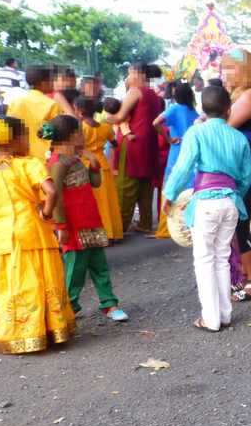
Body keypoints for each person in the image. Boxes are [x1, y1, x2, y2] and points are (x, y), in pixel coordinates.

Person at [0, 117, 76, 353]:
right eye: (25, 137)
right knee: (41, 279)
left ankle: (16, 336)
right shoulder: (29, 164)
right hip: (33, 230)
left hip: (1, 235)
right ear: (15, 140)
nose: (28, 142)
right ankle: (51, 330)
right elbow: (51, 191)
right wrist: (45, 212)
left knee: (9, 284)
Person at [163, 85, 251, 331]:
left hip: (206, 202)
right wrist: (234, 196)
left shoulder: (196, 133)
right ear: (228, 109)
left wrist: (169, 195)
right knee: (222, 257)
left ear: (202, 108)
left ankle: (210, 319)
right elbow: (244, 177)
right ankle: (224, 314)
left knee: (204, 260)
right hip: (231, 201)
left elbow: (183, 168)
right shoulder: (239, 137)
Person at [40, 115, 129, 322]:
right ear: (71, 136)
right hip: (73, 224)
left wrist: (94, 162)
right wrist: (61, 226)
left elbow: (95, 183)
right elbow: (57, 197)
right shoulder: (57, 163)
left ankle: (109, 303)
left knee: (99, 264)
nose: (83, 135)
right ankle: (67, 306)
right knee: (75, 268)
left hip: (90, 219)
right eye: (80, 132)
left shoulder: (76, 158)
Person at [220, 48, 251, 301]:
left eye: (232, 67)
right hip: (234, 170)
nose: (226, 73)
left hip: (246, 170)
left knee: (240, 225)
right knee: (233, 226)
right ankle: (240, 279)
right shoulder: (239, 95)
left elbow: (222, 126)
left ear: (246, 69)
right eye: (224, 67)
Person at [106, 62, 162, 234]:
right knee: (146, 185)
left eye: (129, 73)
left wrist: (106, 118)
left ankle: (120, 226)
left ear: (137, 73)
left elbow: (120, 116)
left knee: (125, 185)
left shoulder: (135, 91)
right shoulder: (155, 95)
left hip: (132, 143)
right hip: (150, 143)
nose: (128, 77)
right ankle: (145, 223)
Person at [152, 82, 199, 239]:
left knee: (170, 186)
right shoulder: (194, 112)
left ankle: (166, 228)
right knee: (188, 188)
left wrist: (168, 138)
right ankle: (186, 226)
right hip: (191, 152)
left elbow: (156, 123)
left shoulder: (174, 108)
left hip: (177, 150)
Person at [76, 96, 123, 242]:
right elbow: (115, 144)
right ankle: (112, 232)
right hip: (103, 164)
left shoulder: (80, 128)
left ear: (80, 111)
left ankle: (96, 235)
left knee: (92, 202)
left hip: (86, 165)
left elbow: (77, 148)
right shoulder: (105, 127)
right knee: (107, 201)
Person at [6, 65, 61, 161]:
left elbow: (9, 129)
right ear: (43, 83)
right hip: (42, 157)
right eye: (51, 81)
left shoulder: (15, 102)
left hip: (19, 156)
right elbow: (51, 134)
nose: (53, 84)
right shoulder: (51, 104)